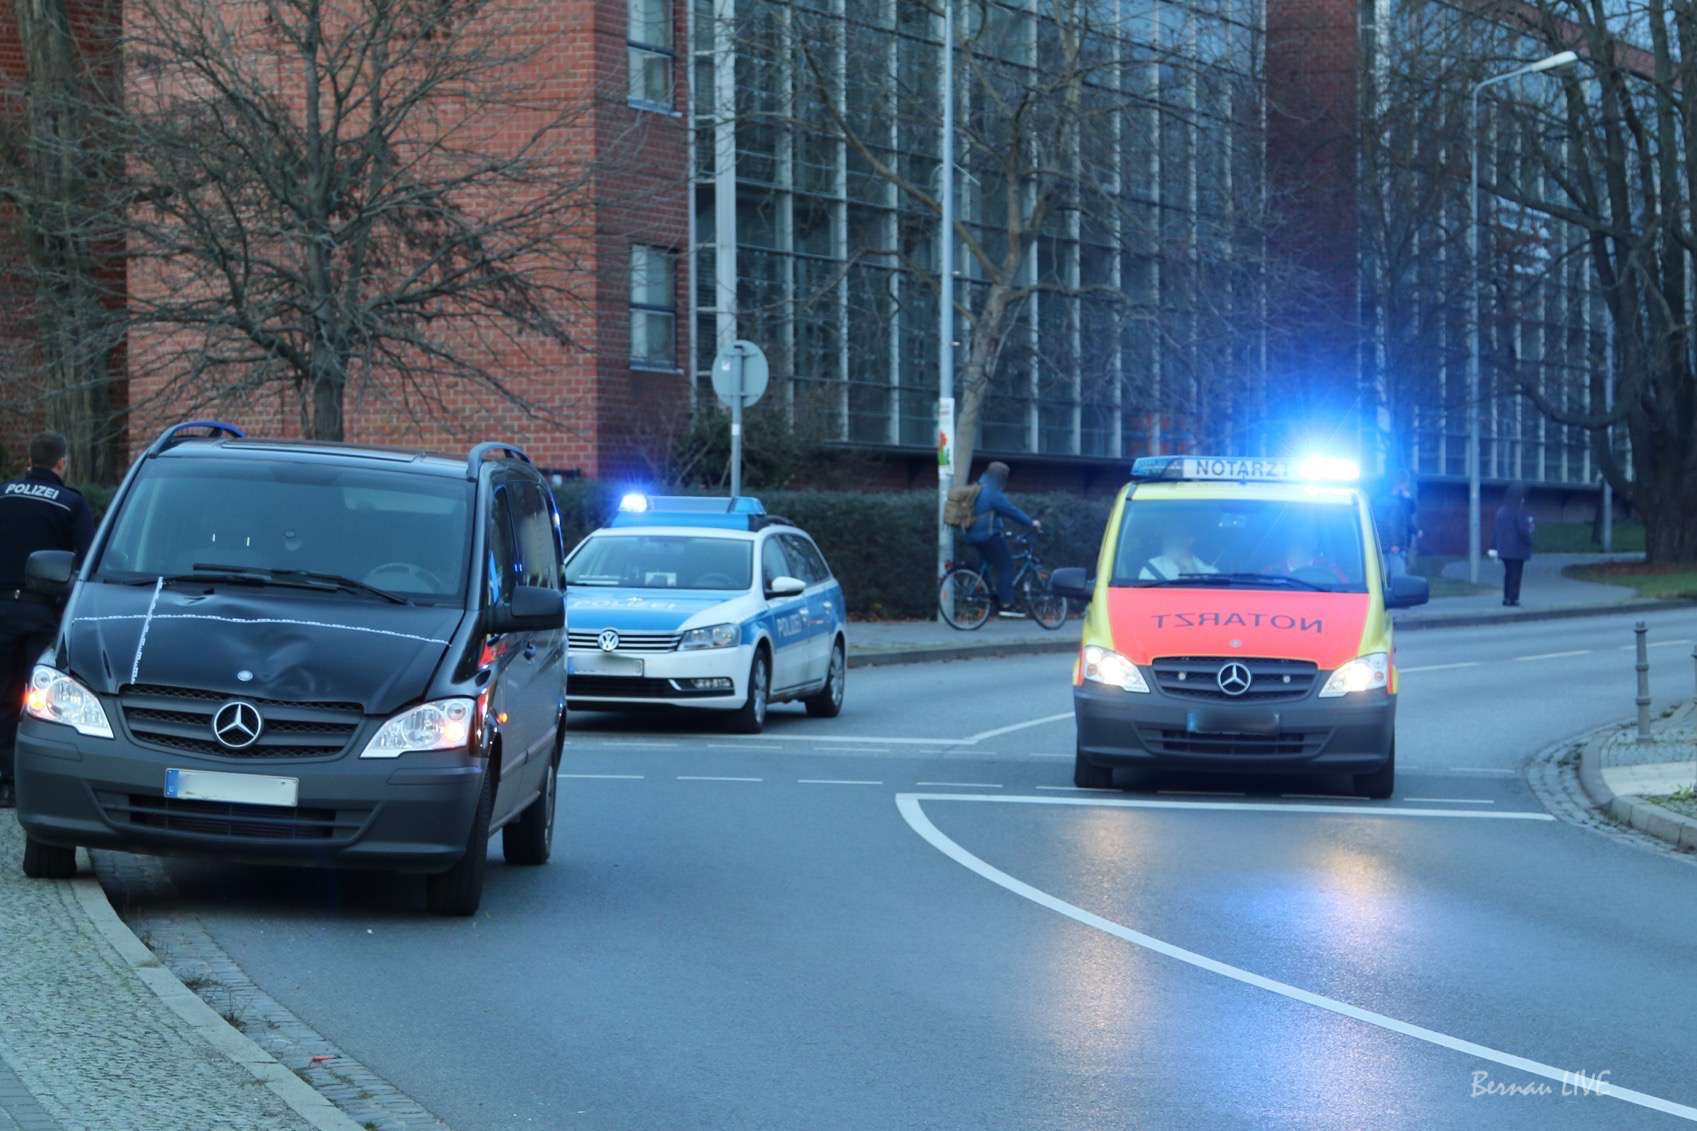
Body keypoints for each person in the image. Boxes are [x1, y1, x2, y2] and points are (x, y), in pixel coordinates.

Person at [0, 432, 96, 808]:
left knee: (3, 694)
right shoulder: (70, 503)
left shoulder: (3, 493)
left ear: (29, 460)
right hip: (41, 611)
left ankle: (3, 779)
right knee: (39, 700)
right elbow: (87, 559)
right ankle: (31, 781)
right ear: (61, 463)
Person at [963, 461, 1041, 617]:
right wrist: (1031, 523)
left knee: (987, 566)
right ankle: (1006, 604)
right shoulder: (992, 492)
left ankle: (988, 603)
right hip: (987, 535)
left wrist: (1001, 528)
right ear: (1001, 477)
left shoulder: (976, 488)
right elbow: (1012, 511)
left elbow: (989, 514)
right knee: (1006, 565)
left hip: (971, 535)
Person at [1493, 481, 1535, 607]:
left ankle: (1506, 598)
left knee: (1508, 574)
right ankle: (1513, 598)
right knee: (1516, 575)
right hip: (1517, 549)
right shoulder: (1519, 511)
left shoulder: (1502, 510)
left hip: (1504, 549)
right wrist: (1530, 535)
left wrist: (1495, 545)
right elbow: (1523, 530)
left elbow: (1497, 530)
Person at [1139, 520, 1217, 581]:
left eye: (1175, 535)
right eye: (1167, 535)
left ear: (1189, 540)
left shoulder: (1211, 572)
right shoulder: (1152, 566)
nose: (1168, 540)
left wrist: (1194, 573)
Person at [1374, 476, 1420, 577]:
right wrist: (1395, 543)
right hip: (1394, 545)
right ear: (1400, 484)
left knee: (1384, 572)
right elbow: (1393, 523)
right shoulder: (1396, 502)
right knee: (1398, 575)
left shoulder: (1382, 499)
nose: (1407, 487)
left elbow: (1408, 515)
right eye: (1406, 484)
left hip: (1383, 542)